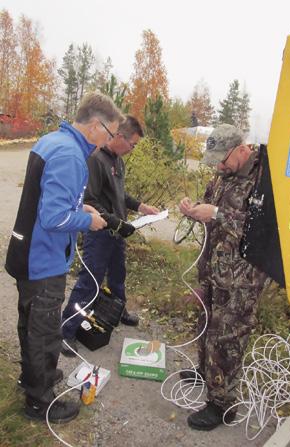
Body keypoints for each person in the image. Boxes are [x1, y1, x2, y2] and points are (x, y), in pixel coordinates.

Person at [5, 92, 123, 423]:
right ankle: (39, 402)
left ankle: (32, 376)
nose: (109, 140)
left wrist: (79, 207)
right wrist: (90, 220)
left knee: (30, 322)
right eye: (110, 133)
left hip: (25, 250)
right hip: (42, 260)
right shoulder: (71, 156)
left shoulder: (52, 141)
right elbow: (54, 218)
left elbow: (49, 198)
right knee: (44, 331)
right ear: (96, 126)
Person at [178, 124, 267, 431]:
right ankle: (207, 374)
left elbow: (265, 230)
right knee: (207, 324)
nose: (218, 165)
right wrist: (193, 210)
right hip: (215, 270)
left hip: (243, 279)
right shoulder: (223, 174)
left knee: (228, 337)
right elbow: (211, 212)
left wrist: (216, 213)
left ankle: (222, 406)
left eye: (223, 159)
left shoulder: (266, 179)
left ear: (242, 149)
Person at [61, 115, 159, 356]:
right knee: (90, 282)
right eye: (132, 144)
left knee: (118, 274)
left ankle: (118, 309)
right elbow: (90, 200)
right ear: (118, 136)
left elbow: (120, 195)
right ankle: (66, 331)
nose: (132, 149)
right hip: (99, 232)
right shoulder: (96, 159)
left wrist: (141, 206)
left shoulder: (119, 161)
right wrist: (115, 223)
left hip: (117, 232)